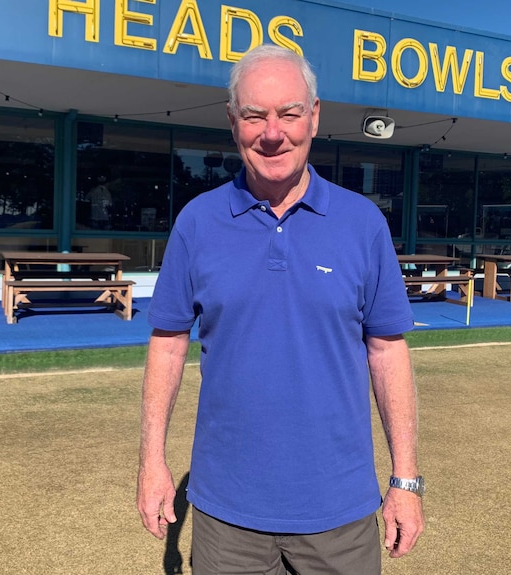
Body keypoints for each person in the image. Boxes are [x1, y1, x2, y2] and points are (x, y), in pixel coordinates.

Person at [137, 44, 424, 574]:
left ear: (314, 117)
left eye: (289, 113)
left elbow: (387, 353)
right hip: (228, 516)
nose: (273, 133)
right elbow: (168, 344)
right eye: (255, 115)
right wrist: (152, 460)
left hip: (340, 511)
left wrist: (405, 481)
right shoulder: (197, 223)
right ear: (232, 122)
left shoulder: (362, 224)